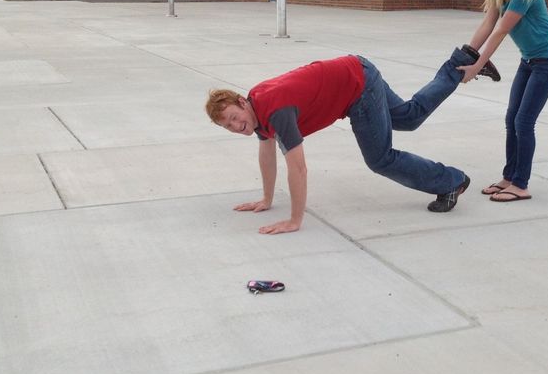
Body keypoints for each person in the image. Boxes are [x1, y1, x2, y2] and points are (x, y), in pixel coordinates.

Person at [205, 47, 481, 234]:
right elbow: (266, 152)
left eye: (233, 117)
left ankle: (452, 182)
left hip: (358, 86)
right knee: (408, 118)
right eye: (227, 126)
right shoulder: (256, 109)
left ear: (242, 102)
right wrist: (266, 198)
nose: (235, 126)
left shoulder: (277, 112)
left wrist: (294, 220)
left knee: (380, 159)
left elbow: (298, 168)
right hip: (356, 69)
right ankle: (459, 63)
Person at [457, 0, 548, 202]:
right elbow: (487, 25)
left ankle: (521, 184)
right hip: (529, 60)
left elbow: (500, 32)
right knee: (511, 119)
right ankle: (508, 177)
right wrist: (466, 53)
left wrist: (477, 67)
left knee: (523, 121)